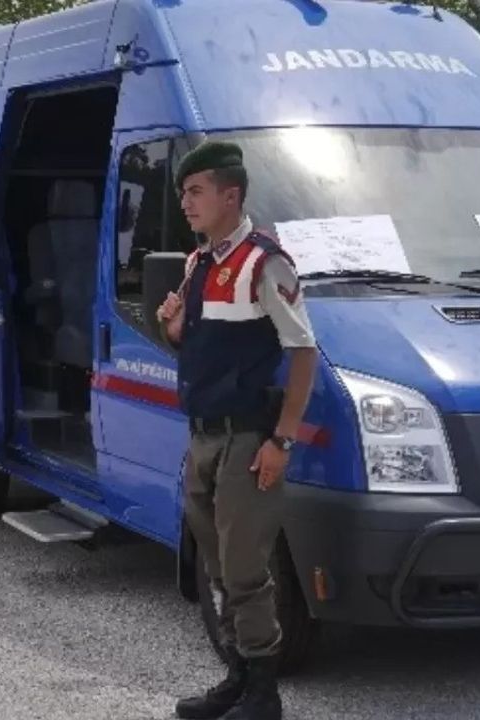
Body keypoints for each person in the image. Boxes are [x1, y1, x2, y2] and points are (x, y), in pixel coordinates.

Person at [156, 141, 317, 720]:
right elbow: (199, 348)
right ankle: (238, 677)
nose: (186, 202)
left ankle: (263, 695)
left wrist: (282, 441)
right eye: (184, 192)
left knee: (247, 569)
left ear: (231, 195)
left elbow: (303, 352)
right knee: (219, 566)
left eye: (196, 191)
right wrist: (174, 327)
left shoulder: (264, 262)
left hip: (248, 440)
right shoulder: (198, 263)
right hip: (203, 436)